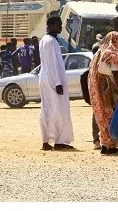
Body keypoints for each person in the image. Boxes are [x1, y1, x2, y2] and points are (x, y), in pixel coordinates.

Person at [88, 32, 118, 155]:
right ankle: (111, 145)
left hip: (97, 89)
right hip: (107, 89)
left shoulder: (99, 53)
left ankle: (105, 144)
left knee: (101, 115)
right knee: (110, 114)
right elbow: (115, 73)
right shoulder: (111, 53)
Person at [38, 16, 74, 151]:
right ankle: (59, 141)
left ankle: (46, 141)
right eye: (59, 24)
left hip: (45, 77)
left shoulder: (44, 40)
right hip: (54, 80)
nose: (60, 27)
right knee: (59, 110)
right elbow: (53, 63)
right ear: (51, 25)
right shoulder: (52, 41)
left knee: (47, 110)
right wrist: (58, 83)